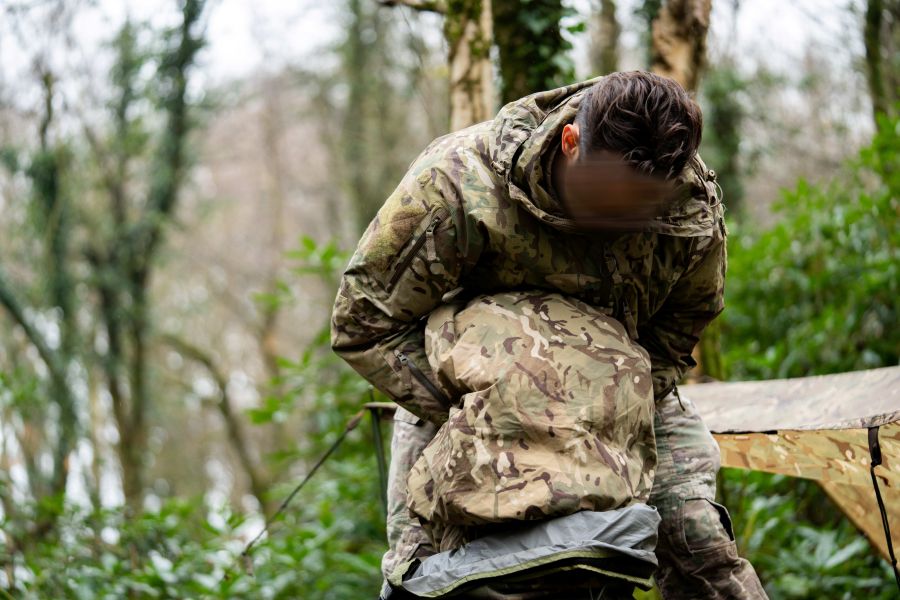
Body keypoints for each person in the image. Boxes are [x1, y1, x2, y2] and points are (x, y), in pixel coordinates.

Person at [331, 71, 768, 599]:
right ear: (570, 142)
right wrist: (494, 402)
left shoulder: (688, 211)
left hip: (624, 395)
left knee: (703, 553)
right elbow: (363, 322)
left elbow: (678, 331)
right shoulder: (458, 181)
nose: (614, 222)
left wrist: (603, 407)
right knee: (425, 577)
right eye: (603, 199)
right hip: (466, 397)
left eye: (638, 211)